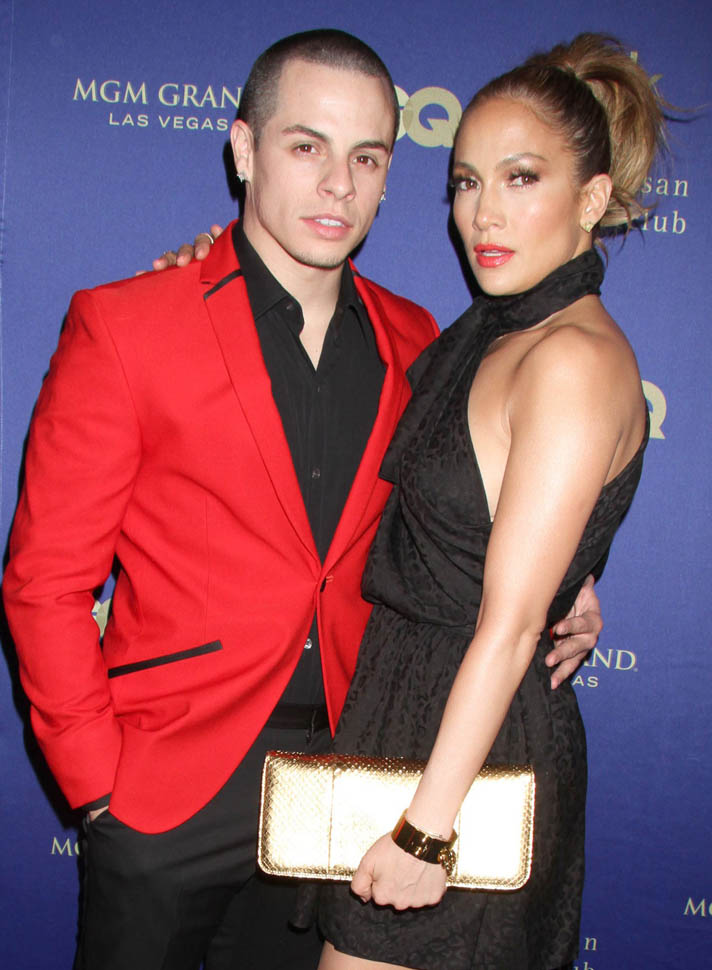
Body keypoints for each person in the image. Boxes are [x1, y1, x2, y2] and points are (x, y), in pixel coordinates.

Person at [3, 29, 601, 970]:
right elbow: (44, 581)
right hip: (165, 792)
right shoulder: (128, 326)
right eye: (306, 146)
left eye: (367, 157)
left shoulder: (422, 343)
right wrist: (99, 788)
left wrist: (573, 585)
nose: (337, 186)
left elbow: (485, 509)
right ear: (244, 149)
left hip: (351, 785)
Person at [305, 33, 664, 970]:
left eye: (521, 178)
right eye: (466, 182)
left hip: (472, 758)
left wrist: (427, 833)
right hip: (412, 715)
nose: (483, 214)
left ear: (592, 199)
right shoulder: (497, 333)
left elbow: (508, 627)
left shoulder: (572, 360)